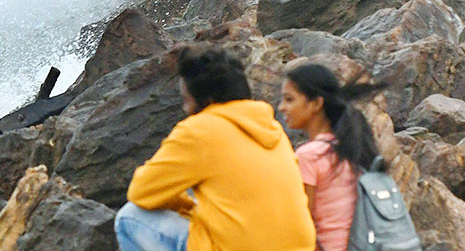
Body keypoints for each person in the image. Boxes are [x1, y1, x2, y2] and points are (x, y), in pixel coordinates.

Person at [116, 45, 316, 251]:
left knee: (130, 217)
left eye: (186, 99)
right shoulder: (270, 126)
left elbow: (141, 191)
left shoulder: (200, 129)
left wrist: (186, 207)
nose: (185, 109)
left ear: (206, 98)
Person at [279, 63, 381, 251]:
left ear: (317, 104)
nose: (282, 107)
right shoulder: (351, 148)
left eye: (289, 99)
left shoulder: (309, 156)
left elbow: (302, 226)